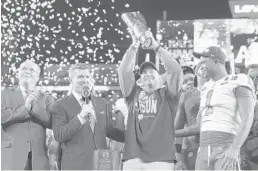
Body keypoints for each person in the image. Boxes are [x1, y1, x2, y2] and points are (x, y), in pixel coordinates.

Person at [118, 29, 183, 170]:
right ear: (139, 80)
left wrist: (156, 46)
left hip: (161, 158)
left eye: (152, 72)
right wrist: (134, 47)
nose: (147, 74)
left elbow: (175, 71)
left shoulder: (168, 95)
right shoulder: (132, 94)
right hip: (133, 156)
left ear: (160, 79)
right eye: (144, 73)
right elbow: (123, 71)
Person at [51, 63, 124, 170]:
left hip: (101, 162)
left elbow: (108, 130)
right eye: (80, 77)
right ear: (71, 80)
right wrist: (80, 118)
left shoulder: (102, 102)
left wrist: (130, 135)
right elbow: (60, 135)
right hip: (75, 164)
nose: (85, 80)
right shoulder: (60, 105)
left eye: (87, 76)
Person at [193, 46, 256, 170]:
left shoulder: (238, 80)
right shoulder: (206, 87)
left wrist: (235, 148)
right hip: (203, 148)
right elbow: (200, 123)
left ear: (216, 61)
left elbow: (248, 116)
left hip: (225, 145)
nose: (200, 65)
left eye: (204, 62)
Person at [1, 60, 55, 170]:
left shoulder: (47, 98)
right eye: (24, 69)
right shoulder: (3, 94)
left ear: (38, 77)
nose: (27, 72)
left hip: (38, 156)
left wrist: (33, 107)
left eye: (32, 70)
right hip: (12, 154)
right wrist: (25, 108)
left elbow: (52, 122)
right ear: (18, 73)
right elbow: (2, 117)